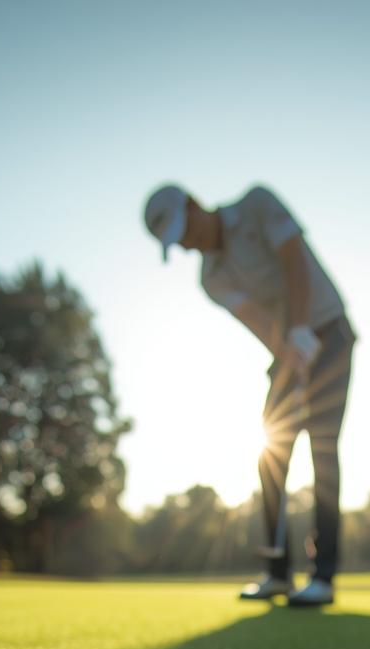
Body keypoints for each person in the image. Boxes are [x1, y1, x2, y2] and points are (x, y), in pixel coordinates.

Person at [143, 182, 355, 606]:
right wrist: (288, 351)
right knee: (270, 453)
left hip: (328, 332)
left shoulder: (257, 204)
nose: (187, 245)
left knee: (322, 448)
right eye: (178, 242)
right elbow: (257, 320)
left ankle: (324, 576)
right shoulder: (211, 277)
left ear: (194, 204)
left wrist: (301, 331)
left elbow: (296, 264)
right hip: (287, 350)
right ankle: (277, 572)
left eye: (185, 231)